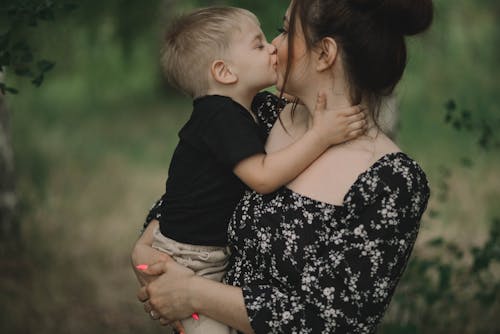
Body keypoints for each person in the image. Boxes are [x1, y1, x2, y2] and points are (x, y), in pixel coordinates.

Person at [133, 0, 432, 333]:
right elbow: (189, 194)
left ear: (325, 54)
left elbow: (333, 323)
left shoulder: (390, 182)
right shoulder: (259, 114)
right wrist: (146, 251)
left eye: (286, 31)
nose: (274, 46)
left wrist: (192, 293)